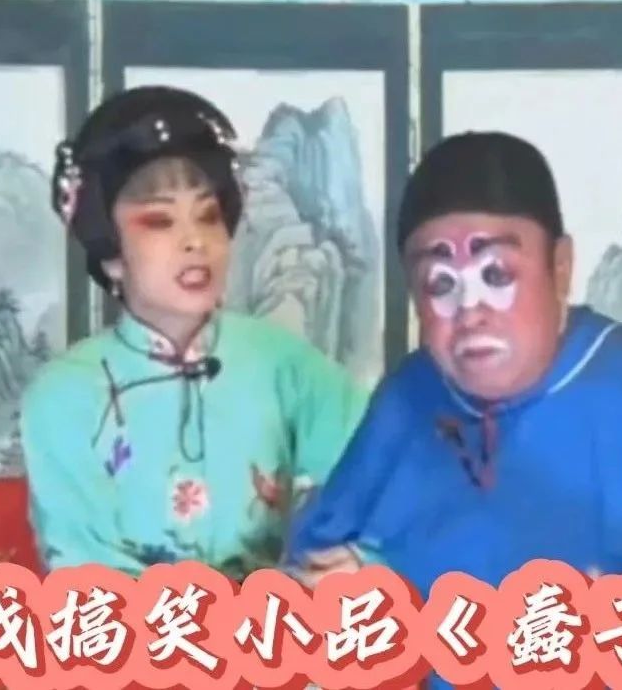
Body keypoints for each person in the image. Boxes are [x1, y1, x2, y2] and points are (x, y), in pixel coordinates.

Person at [285, 131, 622, 602]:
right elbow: (314, 570)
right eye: (440, 285)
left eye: (496, 275)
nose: (470, 312)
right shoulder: (407, 397)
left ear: (561, 267)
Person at [21, 86, 368, 581]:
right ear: (110, 252)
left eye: (208, 216)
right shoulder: (64, 394)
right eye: (159, 221)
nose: (195, 242)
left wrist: (353, 561)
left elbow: (382, 478)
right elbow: (86, 571)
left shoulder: (284, 364)